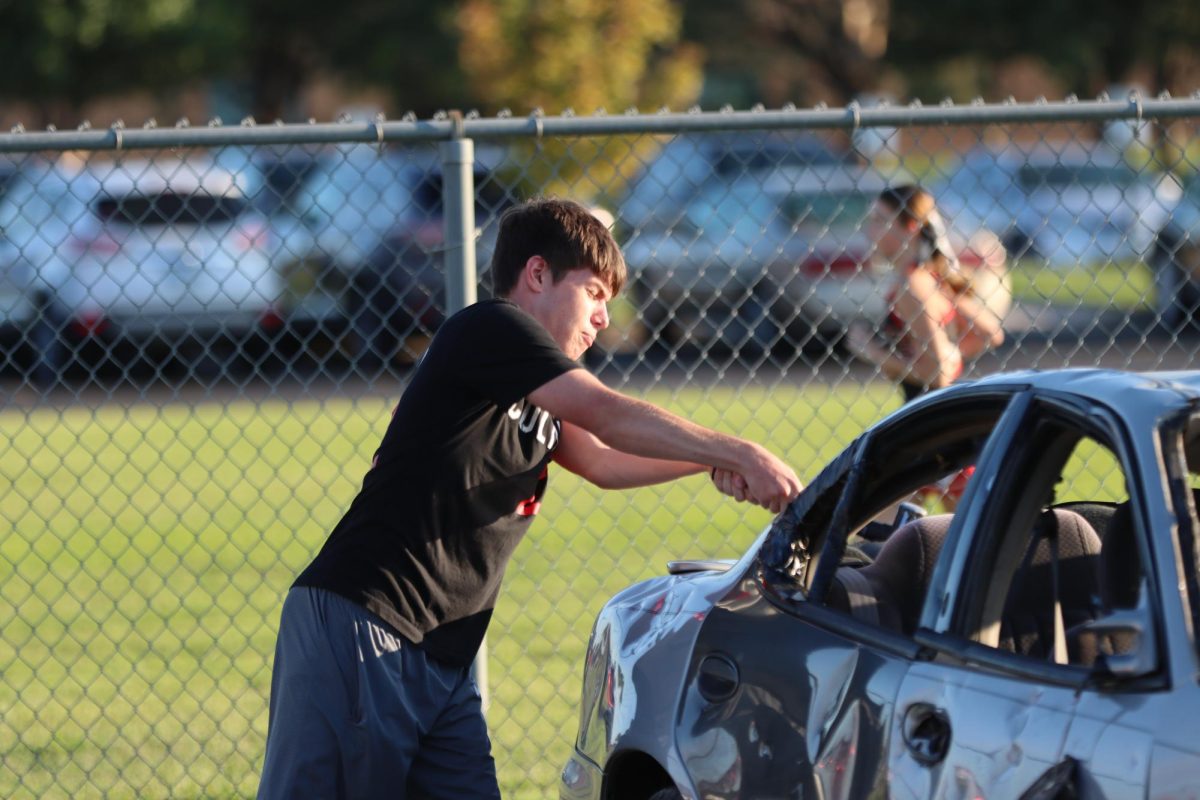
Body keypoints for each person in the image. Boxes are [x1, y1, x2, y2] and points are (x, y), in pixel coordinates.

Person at [257, 197, 803, 799]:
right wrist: (737, 451)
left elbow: (601, 459)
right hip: (367, 621)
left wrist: (708, 460)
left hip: (443, 654)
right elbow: (606, 413)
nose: (601, 318)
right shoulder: (489, 327)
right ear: (537, 275)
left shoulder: (532, 386)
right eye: (594, 293)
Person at [845, 184, 1005, 507]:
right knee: (955, 542)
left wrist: (872, 352)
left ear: (910, 228)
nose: (870, 230)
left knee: (874, 534)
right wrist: (948, 355)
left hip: (931, 432)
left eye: (879, 220)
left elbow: (936, 377)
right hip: (932, 427)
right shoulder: (928, 278)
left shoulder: (911, 287)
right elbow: (989, 332)